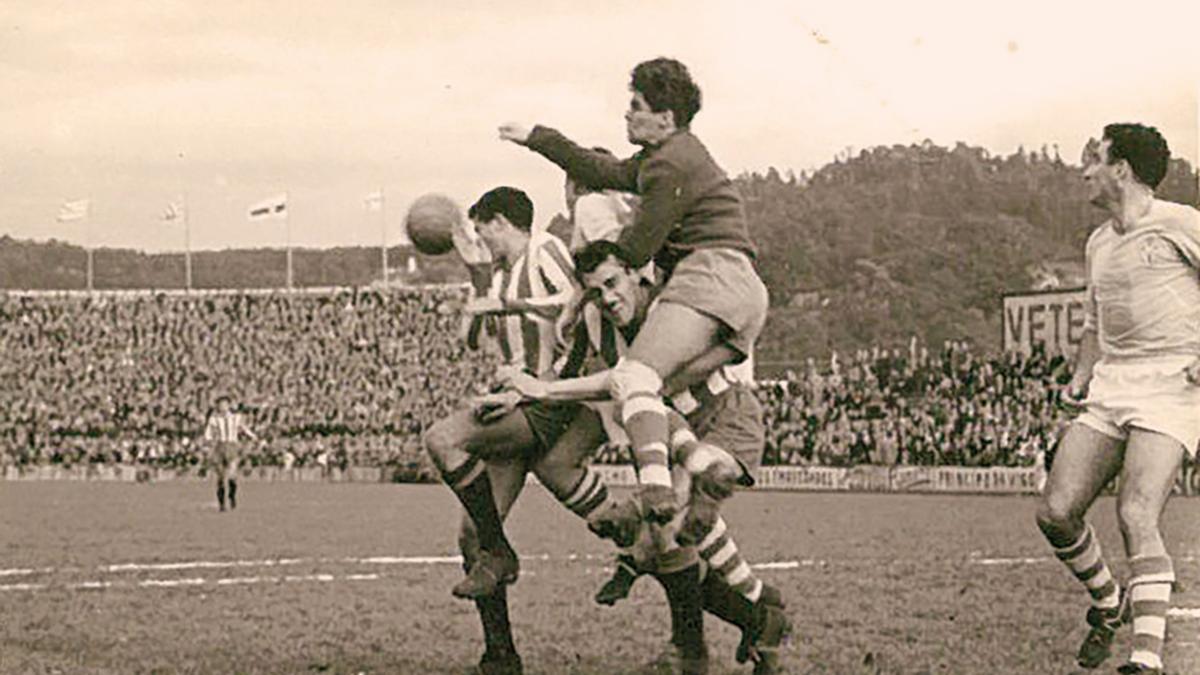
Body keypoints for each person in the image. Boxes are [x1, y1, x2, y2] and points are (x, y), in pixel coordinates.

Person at [500, 57, 769, 531]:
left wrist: (582, 294)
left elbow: (636, 248)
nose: (627, 115)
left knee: (632, 378)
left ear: (665, 117)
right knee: (657, 391)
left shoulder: (669, 165)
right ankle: (704, 478)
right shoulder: (666, 157)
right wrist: (538, 138)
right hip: (738, 294)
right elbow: (598, 168)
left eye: (636, 107)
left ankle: (655, 489)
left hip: (710, 276)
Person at [504, 240, 790, 674]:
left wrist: (548, 389)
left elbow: (638, 381)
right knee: (668, 543)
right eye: (596, 291)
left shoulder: (672, 306)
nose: (609, 297)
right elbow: (605, 379)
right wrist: (523, 388)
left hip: (718, 416)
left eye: (613, 283)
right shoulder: (597, 320)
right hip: (664, 428)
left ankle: (698, 643)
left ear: (638, 275)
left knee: (668, 532)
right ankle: (758, 613)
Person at [422, 186, 620, 675]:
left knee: (444, 438)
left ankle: (503, 553)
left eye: (484, 229)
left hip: (549, 398)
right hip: (515, 401)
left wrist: (502, 303)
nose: (482, 239)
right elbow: (470, 337)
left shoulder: (545, 248)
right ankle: (500, 655)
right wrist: (477, 275)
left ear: (503, 222)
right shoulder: (499, 274)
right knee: (471, 535)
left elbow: (572, 300)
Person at [1034, 123, 1200, 675]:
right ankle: (1109, 604)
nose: (1085, 171)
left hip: (1173, 383)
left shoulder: (1180, 223)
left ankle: (1145, 662)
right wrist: (1081, 378)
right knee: (1056, 512)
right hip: (1113, 383)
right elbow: (1094, 322)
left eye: (1094, 161)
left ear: (1121, 170)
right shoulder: (1099, 242)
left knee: (1135, 511)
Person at [202, 395, 258, 512]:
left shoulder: (236, 418)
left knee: (232, 475)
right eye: (220, 404)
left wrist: (252, 436)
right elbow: (208, 433)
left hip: (232, 446)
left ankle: (232, 496)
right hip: (220, 447)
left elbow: (243, 428)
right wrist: (207, 444)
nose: (222, 406)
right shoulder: (214, 419)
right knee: (221, 478)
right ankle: (222, 504)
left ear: (228, 405)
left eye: (224, 404)